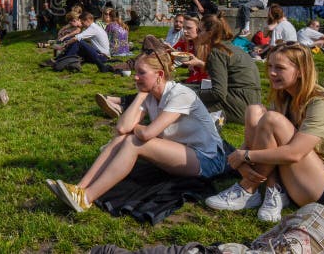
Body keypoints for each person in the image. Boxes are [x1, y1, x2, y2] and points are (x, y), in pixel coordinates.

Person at [47, 48, 225, 213]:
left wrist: (136, 128)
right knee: (120, 140)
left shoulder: (181, 95)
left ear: (159, 75)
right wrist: (140, 96)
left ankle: (86, 198)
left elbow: (147, 134)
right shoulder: (150, 95)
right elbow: (122, 128)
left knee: (133, 142)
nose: (135, 77)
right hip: (181, 151)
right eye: (136, 72)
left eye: (141, 73)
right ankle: (79, 188)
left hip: (208, 159)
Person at [205, 43, 324, 222]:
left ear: (301, 70)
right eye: (270, 66)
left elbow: (295, 153)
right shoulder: (284, 96)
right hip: (295, 176)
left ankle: (248, 188)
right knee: (254, 110)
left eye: (279, 68)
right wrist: (241, 159)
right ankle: (273, 190)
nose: (271, 73)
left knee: (272, 120)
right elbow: (266, 141)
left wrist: (246, 156)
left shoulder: (320, 103)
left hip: (320, 185)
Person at [194, 14, 262, 124]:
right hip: (252, 104)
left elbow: (218, 93)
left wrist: (191, 93)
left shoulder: (217, 52)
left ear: (210, 34)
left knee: (186, 98)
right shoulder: (230, 48)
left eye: (199, 30)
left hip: (240, 107)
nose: (197, 34)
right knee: (190, 88)